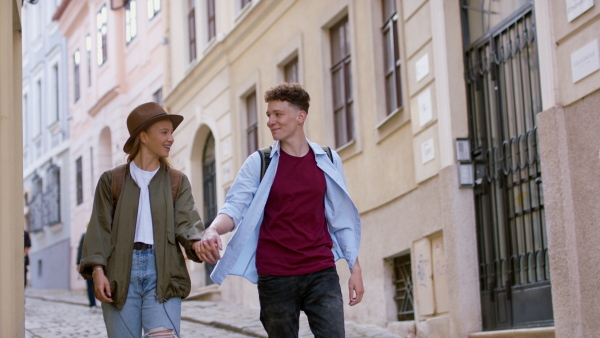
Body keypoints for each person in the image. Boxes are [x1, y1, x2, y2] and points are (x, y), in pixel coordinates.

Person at [197, 83, 364, 337]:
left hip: (321, 271)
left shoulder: (328, 159)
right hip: (276, 276)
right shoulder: (260, 162)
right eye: (268, 115)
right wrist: (212, 230)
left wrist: (355, 269)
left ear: (300, 116)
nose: (270, 121)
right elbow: (234, 207)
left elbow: (341, 220)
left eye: (278, 114)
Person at [79, 102, 205, 338]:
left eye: (171, 133)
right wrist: (98, 270)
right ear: (144, 137)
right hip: (119, 275)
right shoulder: (111, 180)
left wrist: (197, 242)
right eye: (164, 132)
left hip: (164, 274)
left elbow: (187, 222)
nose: (171, 139)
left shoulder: (176, 181)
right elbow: (99, 227)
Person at [76, 231, 96, 309]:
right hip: (88, 262)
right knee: (90, 284)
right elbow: (80, 249)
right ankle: (92, 304)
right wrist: (78, 262)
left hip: (99, 261)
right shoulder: (85, 235)